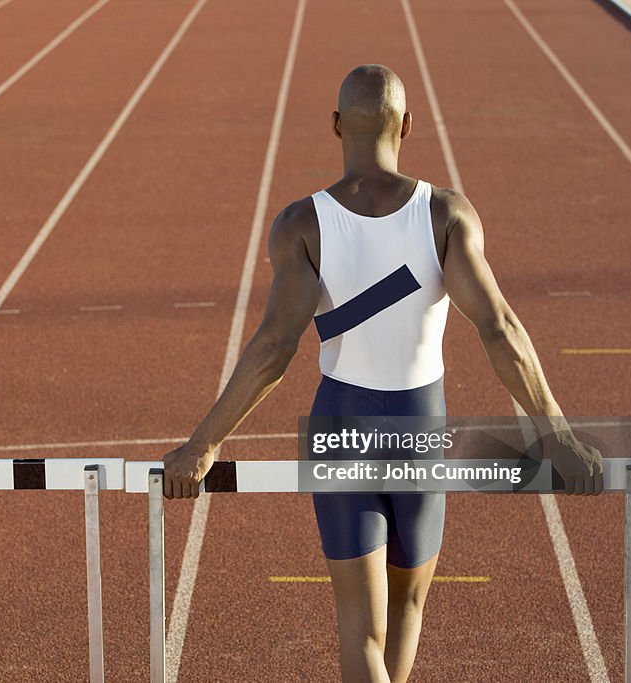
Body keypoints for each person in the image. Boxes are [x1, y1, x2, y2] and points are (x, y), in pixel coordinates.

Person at [162, 64, 603, 683]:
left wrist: (203, 443)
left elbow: (273, 347)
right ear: (408, 125)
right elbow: (499, 328)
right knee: (407, 606)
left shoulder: (301, 224)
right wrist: (556, 434)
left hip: (341, 424)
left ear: (336, 125)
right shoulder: (447, 214)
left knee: (358, 628)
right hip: (420, 425)